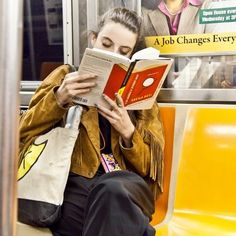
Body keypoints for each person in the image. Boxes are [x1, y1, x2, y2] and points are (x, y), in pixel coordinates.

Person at [19, 7, 165, 236]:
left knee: (112, 189)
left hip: (127, 185)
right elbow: (23, 132)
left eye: (124, 51)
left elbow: (151, 168)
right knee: (115, 213)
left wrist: (128, 133)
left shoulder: (140, 94)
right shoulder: (65, 77)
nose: (114, 54)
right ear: (93, 39)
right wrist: (59, 99)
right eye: (106, 45)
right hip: (75, 185)